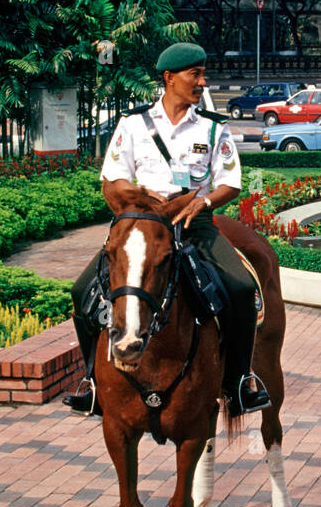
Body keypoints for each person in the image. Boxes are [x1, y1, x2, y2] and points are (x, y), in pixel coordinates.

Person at [63, 43, 271, 417]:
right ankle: (91, 382)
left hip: (195, 224)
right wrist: (133, 196)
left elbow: (230, 182)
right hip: (142, 226)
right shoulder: (133, 125)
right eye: (195, 74)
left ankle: (239, 382)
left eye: (203, 74)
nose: (202, 82)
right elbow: (112, 180)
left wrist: (203, 202)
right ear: (169, 77)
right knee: (82, 291)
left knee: (241, 288)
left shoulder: (212, 127)